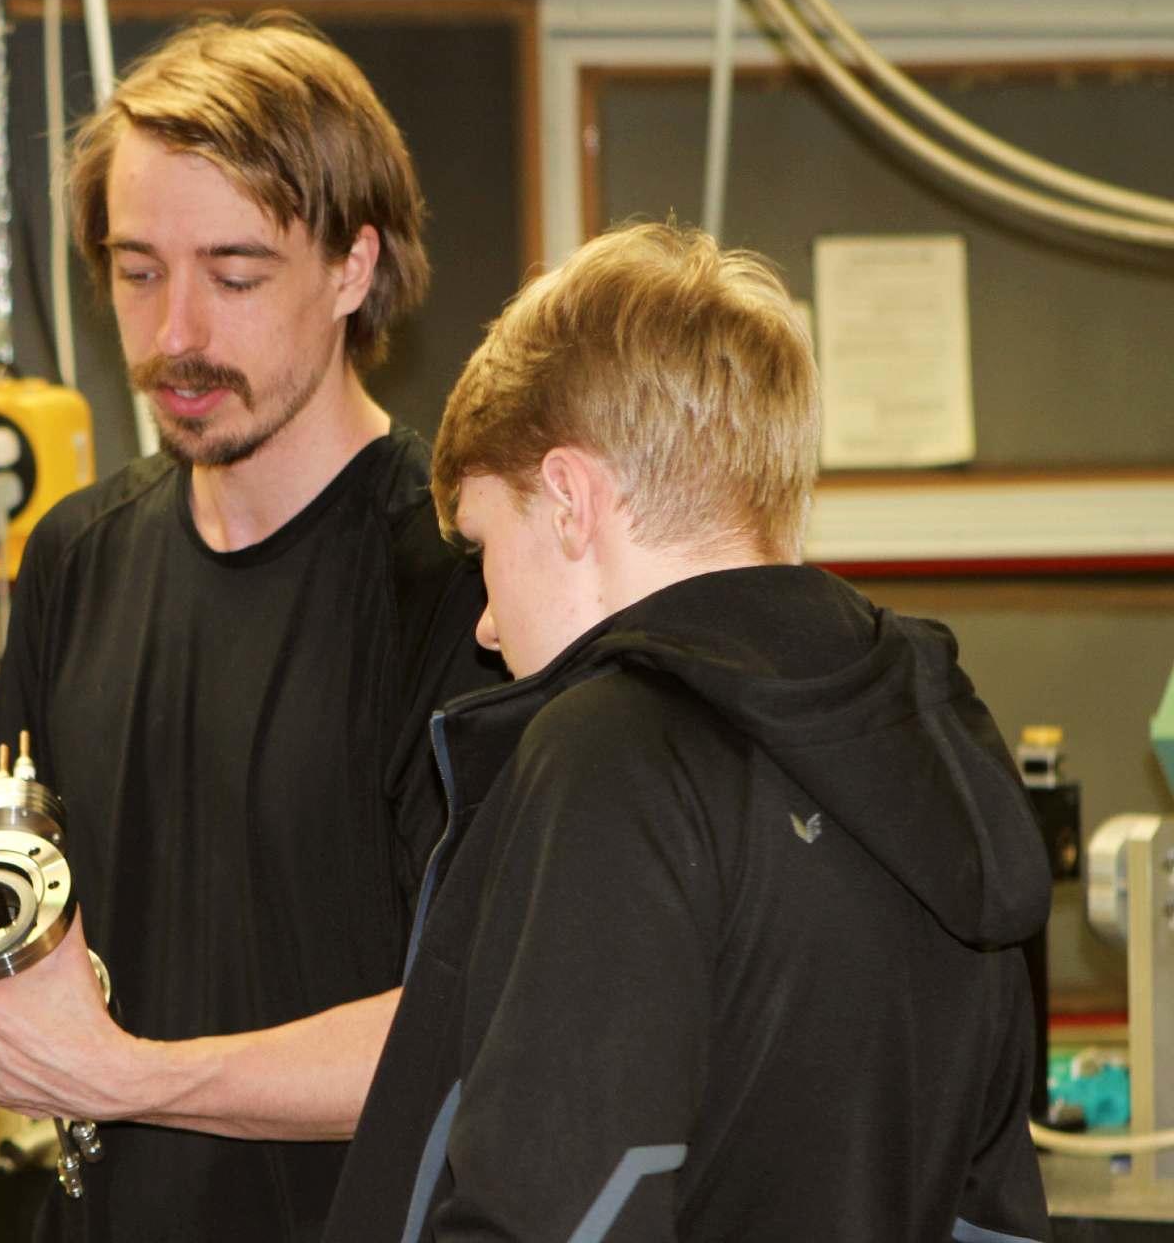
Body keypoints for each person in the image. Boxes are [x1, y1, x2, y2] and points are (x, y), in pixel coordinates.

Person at [321, 219, 1053, 1241]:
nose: (484, 624)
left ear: (572, 500)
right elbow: (999, 1213)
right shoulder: (945, 753)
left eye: (483, 546)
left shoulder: (611, 754)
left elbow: (553, 1215)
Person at [0, 12, 501, 1242]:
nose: (176, 332)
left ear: (353, 268)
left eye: (235, 275)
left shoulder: (460, 578)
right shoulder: (77, 558)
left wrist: (122, 1073)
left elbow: (484, 1019)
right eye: (137, 271)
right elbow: (17, 925)